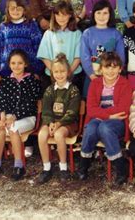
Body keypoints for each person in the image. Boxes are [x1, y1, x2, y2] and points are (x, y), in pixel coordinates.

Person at [77, 52, 133, 185]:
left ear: (120, 69)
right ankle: (84, 164)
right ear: (101, 69)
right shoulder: (95, 83)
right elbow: (90, 109)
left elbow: (124, 108)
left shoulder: (125, 84)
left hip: (118, 121)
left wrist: (104, 114)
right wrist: (109, 115)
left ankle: (121, 168)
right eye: (107, 67)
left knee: (105, 127)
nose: (110, 71)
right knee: (90, 128)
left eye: (114, 67)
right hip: (101, 118)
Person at [0, 50, 41, 181]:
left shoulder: (32, 80)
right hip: (9, 117)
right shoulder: (6, 81)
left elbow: (30, 103)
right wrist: (2, 119)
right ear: (9, 64)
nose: (16, 66)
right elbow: (2, 102)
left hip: (27, 117)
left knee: (13, 128)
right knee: (0, 130)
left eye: (20, 63)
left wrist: (13, 118)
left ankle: (19, 166)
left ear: (25, 64)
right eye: (13, 63)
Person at [37, 53, 81, 184]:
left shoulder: (73, 90)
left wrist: (59, 124)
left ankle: (63, 167)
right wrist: (50, 123)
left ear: (68, 72)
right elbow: (46, 110)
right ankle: (46, 168)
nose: (59, 74)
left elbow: (72, 112)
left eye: (62, 71)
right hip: (51, 122)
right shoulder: (50, 90)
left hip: (68, 123)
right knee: (41, 135)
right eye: (56, 71)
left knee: (58, 134)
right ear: (52, 73)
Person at [80, 0, 125, 98]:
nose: (101, 16)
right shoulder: (87, 33)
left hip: (112, 77)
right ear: (93, 14)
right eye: (98, 13)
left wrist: (113, 75)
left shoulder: (116, 33)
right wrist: (92, 75)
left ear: (110, 15)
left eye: (105, 13)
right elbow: (84, 56)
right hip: (92, 77)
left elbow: (121, 56)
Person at [0, 0, 43, 81]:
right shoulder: (3, 26)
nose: (15, 11)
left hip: (29, 70)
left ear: (24, 10)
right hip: (6, 70)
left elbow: (38, 47)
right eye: (12, 8)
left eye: (19, 8)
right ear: (7, 10)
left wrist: (37, 71)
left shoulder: (31, 25)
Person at [37, 0, 82, 91]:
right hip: (52, 76)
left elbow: (78, 57)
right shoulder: (49, 34)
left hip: (73, 75)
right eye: (58, 15)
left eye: (64, 15)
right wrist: (56, 72)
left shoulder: (77, 34)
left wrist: (68, 73)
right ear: (54, 16)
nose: (61, 18)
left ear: (70, 15)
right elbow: (44, 56)